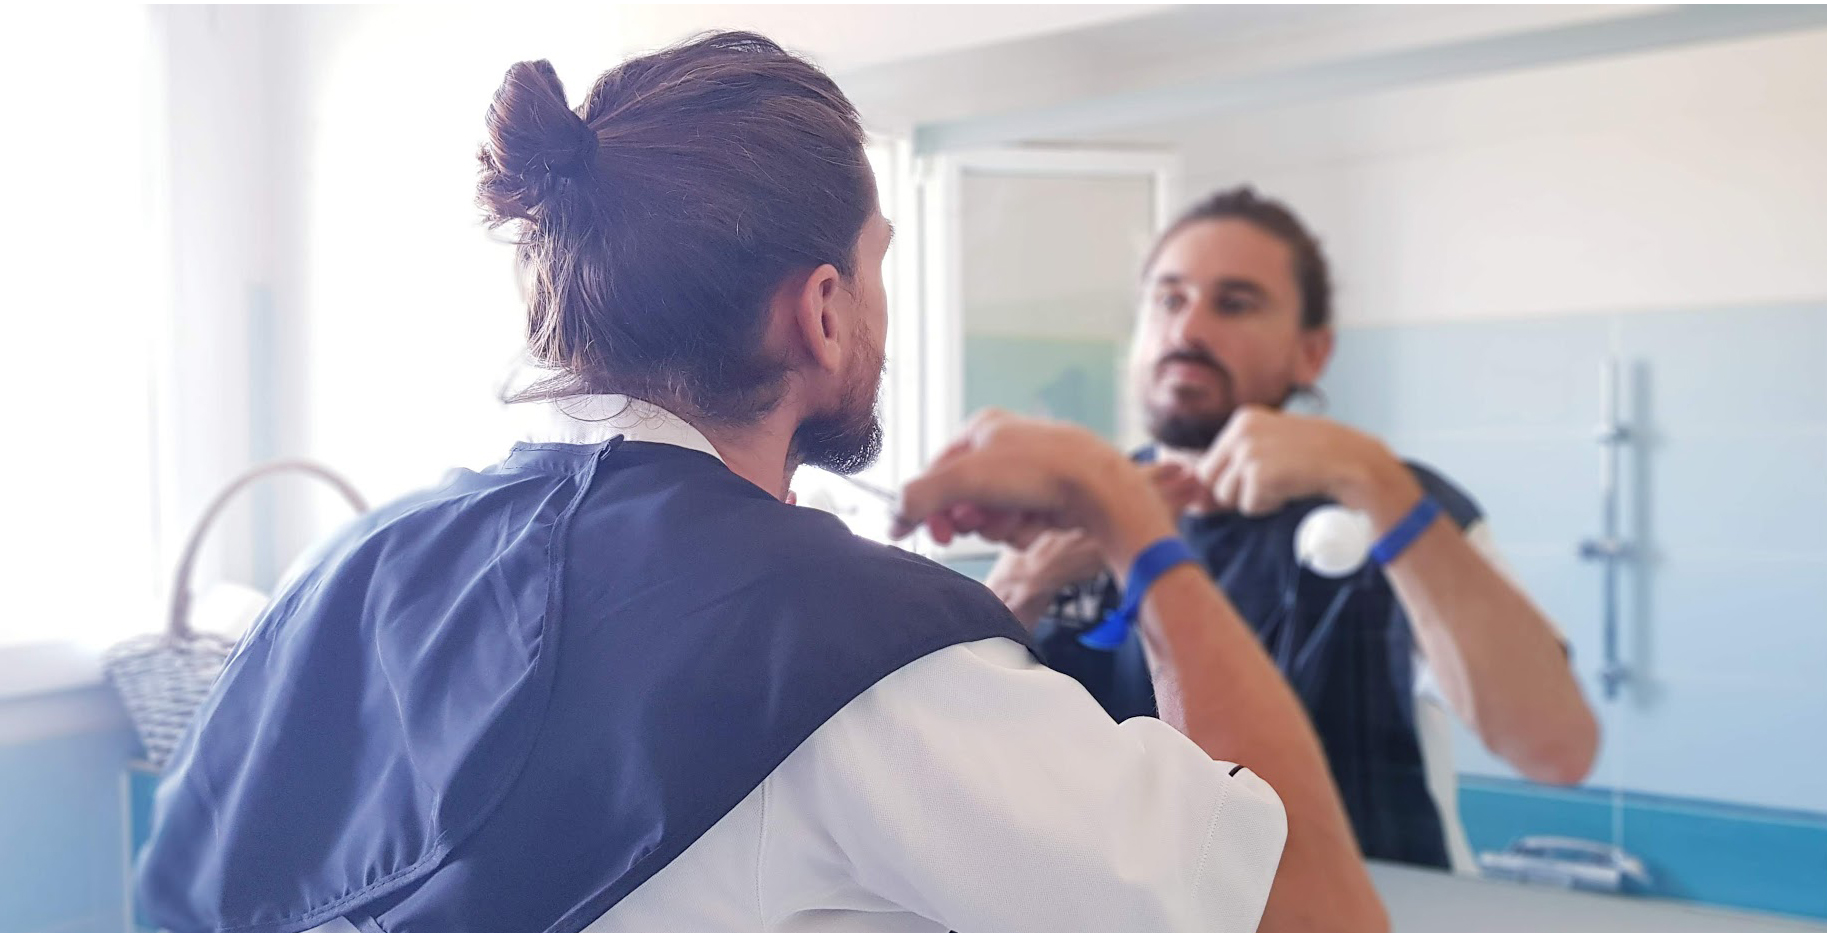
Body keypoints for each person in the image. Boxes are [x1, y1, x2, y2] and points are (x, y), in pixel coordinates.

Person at [135, 34, 1389, 933]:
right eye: (878, 266)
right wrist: (1128, 519)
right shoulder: (855, 658)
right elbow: (1312, 914)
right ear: (824, 312)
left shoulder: (344, 571)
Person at [987, 187, 1600, 871]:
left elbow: (1557, 747)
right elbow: (976, 752)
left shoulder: (1401, 510)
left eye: (1235, 302)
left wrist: (1376, 480)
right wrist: (1025, 580)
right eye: (1169, 298)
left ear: (1311, 353)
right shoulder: (1080, 513)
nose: (1189, 329)